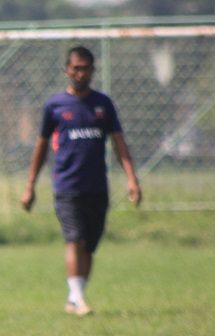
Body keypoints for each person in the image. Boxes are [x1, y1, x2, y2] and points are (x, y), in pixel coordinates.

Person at [21, 45, 142, 316]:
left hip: (97, 186)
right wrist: (30, 185)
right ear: (67, 70)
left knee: (89, 244)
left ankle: (75, 296)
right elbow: (40, 147)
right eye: (76, 68)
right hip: (66, 186)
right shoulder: (54, 106)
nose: (81, 73)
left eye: (86, 68)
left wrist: (132, 179)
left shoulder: (103, 104)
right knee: (74, 240)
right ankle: (77, 298)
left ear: (92, 70)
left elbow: (119, 144)